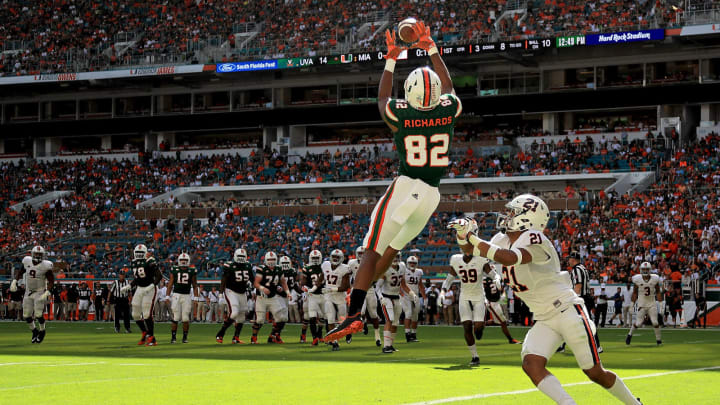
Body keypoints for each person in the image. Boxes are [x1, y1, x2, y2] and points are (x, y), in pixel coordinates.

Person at [326, 21, 462, 342]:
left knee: (371, 249)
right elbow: (450, 87)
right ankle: (367, 292)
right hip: (432, 195)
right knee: (392, 249)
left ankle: (353, 315)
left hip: (407, 186)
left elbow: (382, 98)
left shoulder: (402, 113)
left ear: (410, 94)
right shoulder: (450, 107)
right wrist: (430, 49)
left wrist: (391, 59)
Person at [449, 194, 642, 405]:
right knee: (531, 363)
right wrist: (462, 235)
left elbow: (510, 258)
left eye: (513, 212)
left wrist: (473, 237)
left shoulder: (535, 238)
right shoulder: (501, 239)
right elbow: (469, 250)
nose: (507, 215)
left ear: (526, 217)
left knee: (594, 372)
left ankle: (635, 404)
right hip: (544, 317)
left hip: (568, 311)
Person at [444, 251, 496, 365]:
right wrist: (443, 291)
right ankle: (475, 356)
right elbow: (450, 277)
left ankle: (480, 327)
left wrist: (497, 279)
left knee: (477, 328)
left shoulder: (480, 259)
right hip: (465, 296)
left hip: (478, 296)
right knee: (467, 326)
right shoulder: (456, 259)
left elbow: (492, 273)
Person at [11, 245, 54, 343]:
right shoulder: (27, 261)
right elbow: (20, 271)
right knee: (26, 315)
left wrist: (47, 291)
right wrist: (14, 281)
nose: (38, 256)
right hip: (28, 291)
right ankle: (34, 331)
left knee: (38, 314)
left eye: (40, 254)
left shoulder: (46, 265)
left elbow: (51, 280)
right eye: (37, 254)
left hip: (39, 291)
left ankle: (42, 331)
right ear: (32, 254)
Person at [122, 244, 162, 346]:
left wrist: (151, 286)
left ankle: (152, 338)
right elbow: (138, 278)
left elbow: (159, 275)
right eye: (137, 253)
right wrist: (129, 286)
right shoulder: (134, 262)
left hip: (149, 288)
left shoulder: (150, 261)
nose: (139, 255)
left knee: (147, 313)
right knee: (135, 313)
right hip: (139, 288)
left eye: (141, 253)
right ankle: (145, 332)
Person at [377, 254, 414, 354]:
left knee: (396, 322)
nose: (395, 259)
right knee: (389, 319)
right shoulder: (386, 269)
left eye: (397, 257)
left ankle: (390, 345)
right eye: (393, 256)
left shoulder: (402, 266)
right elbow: (377, 287)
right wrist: (381, 298)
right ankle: (386, 346)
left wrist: (411, 293)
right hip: (386, 297)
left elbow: (403, 284)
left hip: (396, 297)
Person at [251, 251, 290, 344]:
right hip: (261, 298)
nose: (271, 261)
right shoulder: (262, 269)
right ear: (266, 260)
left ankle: (273, 336)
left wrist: (288, 292)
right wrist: (262, 288)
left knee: (282, 318)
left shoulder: (279, 269)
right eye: (269, 259)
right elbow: (256, 283)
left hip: (273, 297)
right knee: (260, 320)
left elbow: (283, 282)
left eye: (273, 259)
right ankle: (254, 337)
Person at [216, 248, 254, 344]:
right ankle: (220, 334)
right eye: (239, 257)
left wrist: (256, 289)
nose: (241, 259)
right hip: (231, 291)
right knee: (234, 313)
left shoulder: (248, 265)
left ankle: (236, 337)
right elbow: (223, 281)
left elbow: (253, 279)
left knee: (241, 316)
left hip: (242, 292)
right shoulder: (229, 266)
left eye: (242, 257)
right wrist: (220, 294)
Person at [348, 246, 381, 346]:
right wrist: (350, 289)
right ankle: (350, 332)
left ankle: (377, 336)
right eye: (360, 253)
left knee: (374, 314)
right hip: (357, 289)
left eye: (363, 253)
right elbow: (348, 277)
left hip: (369, 290)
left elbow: (377, 277)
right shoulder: (351, 263)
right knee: (359, 312)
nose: (362, 255)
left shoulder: (373, 263)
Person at [626, 262, 662, 346]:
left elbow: (658, 292)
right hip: (641, 304)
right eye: (644, 269)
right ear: (641, 270)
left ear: (650, 270)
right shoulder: (637, 279)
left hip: (651, 303)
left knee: (655, 322)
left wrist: (661, 304)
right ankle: (629, 335)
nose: (645, 271)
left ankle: (658, 340)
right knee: (638, 323)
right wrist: (632, 304)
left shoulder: (655, 278)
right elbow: (635, 293)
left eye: (647, 269)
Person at [322, 249, 351, 351]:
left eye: (337, 257)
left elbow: (346, 286)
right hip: (328, 296)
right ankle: (335, 342)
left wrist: (331, 289)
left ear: (341, 259)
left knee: (342, 320)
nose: (335, 258)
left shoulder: (345, 269)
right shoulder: (325, 265)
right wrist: (314, 288)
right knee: (330, 318)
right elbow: (322, 277)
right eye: (334, 256)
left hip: (340, 296)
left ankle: (348, 331)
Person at [167, 253, 198, 343]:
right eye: (182, 261)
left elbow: (195, 285)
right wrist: (167, 296)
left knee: (185, 318)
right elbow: (170, 283)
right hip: (176, 295)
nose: (183, 262)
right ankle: (173, 337)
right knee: (175, 317)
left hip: (187, 295)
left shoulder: (192, 270)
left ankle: (185, 337)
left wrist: (196, 297)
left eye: (185, 261)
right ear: (179, 261)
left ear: (188, 261)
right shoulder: (175, 269)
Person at [483, 270, 521, 345]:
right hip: (492, 303)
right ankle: (510, 339)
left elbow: (500, 289)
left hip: (496, 302)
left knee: (499, 321)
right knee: (503, 322)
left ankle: (479, 324)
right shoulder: (486, 280)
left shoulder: (493, 279)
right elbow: (483, 292)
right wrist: (485, 300)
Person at [299, 250, 326, 346]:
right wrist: (305, 287)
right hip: (312, 295)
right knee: (312, 317)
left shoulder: (324, 267)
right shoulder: (307, 268)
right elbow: (302, 282)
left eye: (317, 258)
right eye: (313, 258)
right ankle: (315, 338)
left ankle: (319, 333)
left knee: (324, 317)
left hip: (323, 294)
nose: (315, 260)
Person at [402, 255, 427, 343]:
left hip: (416, 296)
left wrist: (425, 298)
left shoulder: (419, 272)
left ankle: (413, 334)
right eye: (410, 263)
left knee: (415, 316)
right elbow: (402, 285)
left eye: (414, 263)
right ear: (407, 263)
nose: (412, 264)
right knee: (408, 314)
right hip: (406, 296)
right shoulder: (403, 271)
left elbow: (420, 285)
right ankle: (407, 334)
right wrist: (409, 293)